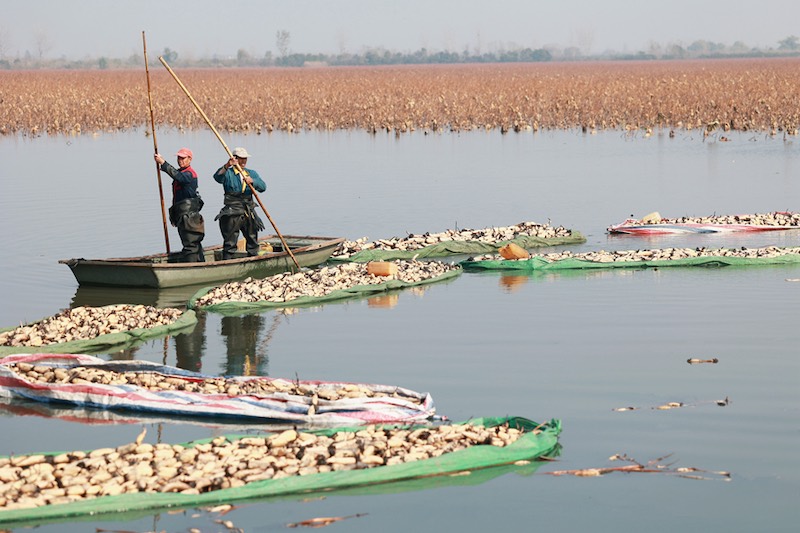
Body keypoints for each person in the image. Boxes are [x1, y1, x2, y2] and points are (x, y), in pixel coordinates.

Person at [213, 147, 267, 259]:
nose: (243, 161)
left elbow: (263, 187)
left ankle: (253, 259)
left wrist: (253, 181)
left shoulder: (251, 173)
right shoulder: (228, 173)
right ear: (235, 159)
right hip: (232, 211)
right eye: (241, 159)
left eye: (245, 159)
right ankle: (228, 261)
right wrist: (227, 165)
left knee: (252, 239)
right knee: (230, 242)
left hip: (248, 210)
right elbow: (217, 177)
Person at [154, 147, 205, 262]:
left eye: (183, 158)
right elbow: (176, 177)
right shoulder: (182, 172)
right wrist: (173, 215)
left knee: (191, 244)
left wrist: (163, 163)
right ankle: (199, 263)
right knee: (191, 242)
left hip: (189, 215)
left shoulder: (189, 174)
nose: (180, 160)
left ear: (190, 159)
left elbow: (178, 177)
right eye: (179, 158)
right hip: (182, 213)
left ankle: (194, 266)